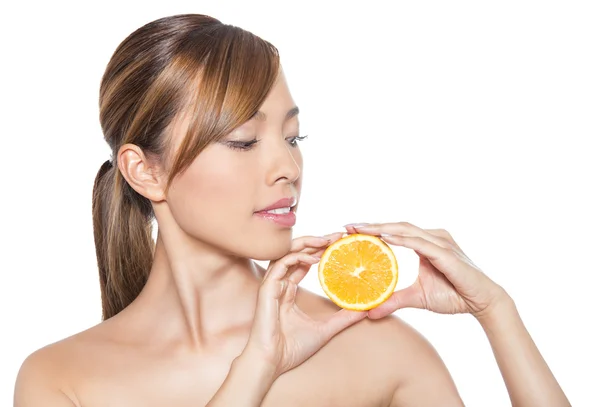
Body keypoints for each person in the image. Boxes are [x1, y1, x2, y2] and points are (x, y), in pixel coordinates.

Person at [13, 13, 570, 407]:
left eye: (294, 138)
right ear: (145, 171)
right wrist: (256, 371)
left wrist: (497, 311)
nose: (289, 168)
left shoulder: (382, 351)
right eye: (243, 141)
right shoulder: (63, 379)